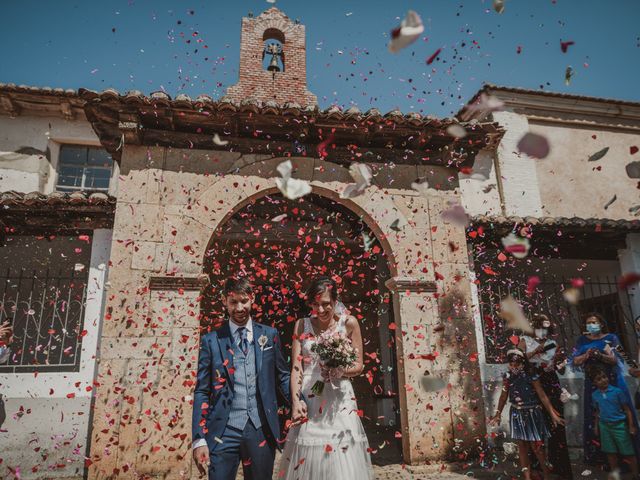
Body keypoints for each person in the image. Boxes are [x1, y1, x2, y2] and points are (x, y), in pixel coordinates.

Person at [191, 277, 299, 480]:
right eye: (233, 302)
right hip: (222, 431)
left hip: (260, 429)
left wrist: (298, 401)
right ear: (225, 301)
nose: (239, 308)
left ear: (253, 299)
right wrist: (199, 439)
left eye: (244, 301)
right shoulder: (211, 341)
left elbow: (282, 377)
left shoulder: (270, 334)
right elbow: (202, 391)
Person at [277, 276, 373, 479]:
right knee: (309, 455)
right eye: (315, 305)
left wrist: (340, 370)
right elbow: (296, 367)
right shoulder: (302, 325)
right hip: (311, 399)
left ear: (335, 302)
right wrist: (295, 402)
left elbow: (358, 365)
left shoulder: (349, 324)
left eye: (325, 305)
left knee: (340, 454)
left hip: (339, 400)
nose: (320, 310)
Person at [571, 312, 640, 465]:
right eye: (588, 322)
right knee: (596, 415)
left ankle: (628, 457)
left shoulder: (611, 338)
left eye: (594, 322)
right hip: (593, 383)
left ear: (601, 324)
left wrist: (601, 356)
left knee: (619, 412)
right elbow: (574, 360)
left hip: (612, 381)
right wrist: (586, 355)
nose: (591, 325)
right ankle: (602, 458)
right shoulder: (581, 341)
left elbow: (617, 358)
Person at [490, 349, 565, 480]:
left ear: (523, 363)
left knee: (537, 448)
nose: (514, 367)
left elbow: (542, 395)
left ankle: (547, 476)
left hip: (532, 413)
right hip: (516, 413)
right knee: (522, 447)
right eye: (511, 364)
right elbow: (503, 396)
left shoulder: (531, 375)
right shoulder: (507, 377)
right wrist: (498, 414)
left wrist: (553, 413)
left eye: (517, 363)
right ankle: (527, 477)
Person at [518, 314, 573, 479]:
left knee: (556, 423)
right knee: (535, 424)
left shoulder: (553, 344)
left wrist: (560, 363)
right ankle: (536, 467)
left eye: (545, 328)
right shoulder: (525, 340)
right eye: (539, 327)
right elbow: (518, 361)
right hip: (532, 383)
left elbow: (560, 369)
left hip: (551, 383)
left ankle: (559, 466)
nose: (542, 330)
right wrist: (535, 351)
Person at [590, 366, 639, 480]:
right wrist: (596, 426)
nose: (603, 380)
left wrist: (631, 425)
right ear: (594, 382)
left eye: (604, 377)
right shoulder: (595, 395)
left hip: (620, 426)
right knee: (610, 453)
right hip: (604, 426)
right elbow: (597, 411)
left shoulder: (617, 392)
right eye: (599, 379)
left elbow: (627, 410)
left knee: (628, 452)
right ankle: (616, 475)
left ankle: (636, 475)